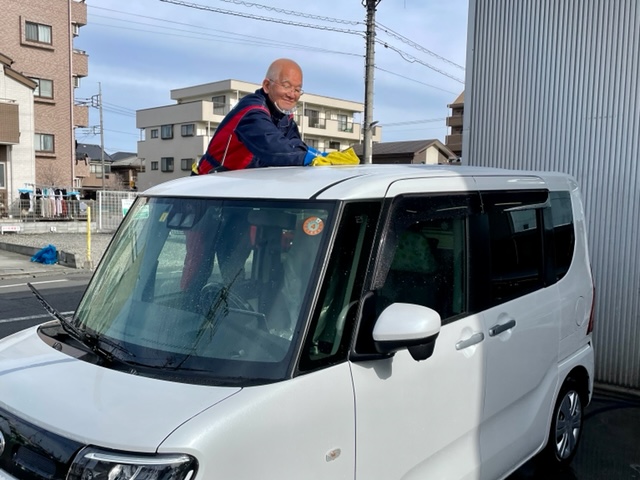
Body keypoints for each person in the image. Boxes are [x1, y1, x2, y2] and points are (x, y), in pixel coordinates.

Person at [192, 58, 325, 174]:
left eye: (297, 90)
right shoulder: (251, 111)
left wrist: (320, 156)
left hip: (243, 187)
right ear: (267, 85)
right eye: (286, 86)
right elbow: (274, 147)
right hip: (208, 189)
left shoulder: (284, 117)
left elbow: (294, 146)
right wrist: (316, 158)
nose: (292, 94)